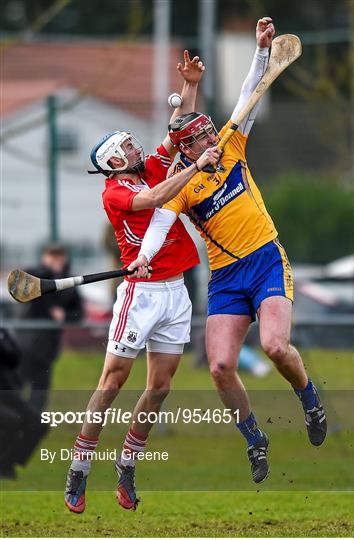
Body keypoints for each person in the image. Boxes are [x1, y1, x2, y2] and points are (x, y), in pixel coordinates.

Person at [129, 17, 327, 485]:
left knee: (275, 345)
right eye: (200, 136)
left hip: (265, 259)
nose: (210, 137)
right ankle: (255, 439)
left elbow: (248, 96)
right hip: (226, 278)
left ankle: (310, 399)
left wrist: (261, 52)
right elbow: (158, 223)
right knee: (219, 366)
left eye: (209, 132)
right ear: (186, 147)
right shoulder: (183, 184)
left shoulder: (231, 144)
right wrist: (144, 255)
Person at [64, 51, 221, 514]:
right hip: (140, 293)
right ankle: (78, 467)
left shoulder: (149, 167)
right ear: (113, 159)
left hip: (175, 290)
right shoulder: (117, 191)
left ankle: (127, 464)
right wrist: (197, 167)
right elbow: (154, 196)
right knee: (112, 381)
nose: (138, 148)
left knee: (160, 387)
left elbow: (177, 136)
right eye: (128, 146)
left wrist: (190, 86)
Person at [16, 243, 83, 412]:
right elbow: (26, 285)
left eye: (59, 257)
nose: (56, 261)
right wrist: (50, 273)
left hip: (48, 347)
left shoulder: (68, 282)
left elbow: (78, 313)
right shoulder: (34, 276)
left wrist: (64, 315)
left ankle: (31, 426)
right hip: (25, 344)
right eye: (51, 257)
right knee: (15, 387)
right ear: (44, 258)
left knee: (40, 391)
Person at [0, 327, 48, 479]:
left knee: (39, 424)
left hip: (7, 392)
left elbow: (14, 359)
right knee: (11, 421)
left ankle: (7, 464)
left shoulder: (2, 332)